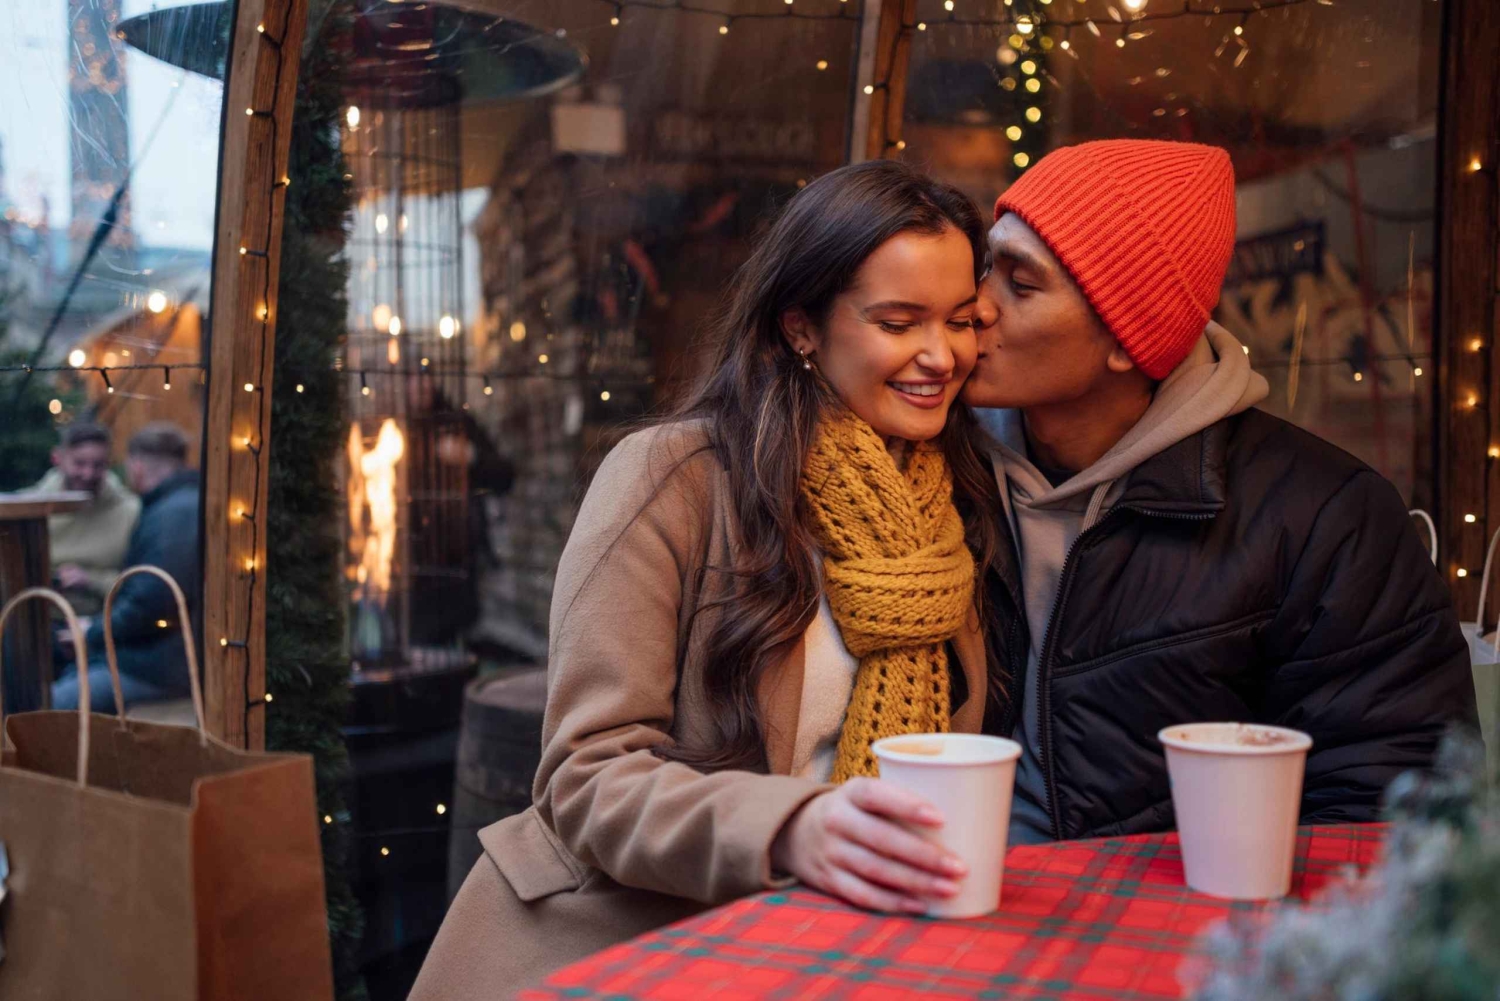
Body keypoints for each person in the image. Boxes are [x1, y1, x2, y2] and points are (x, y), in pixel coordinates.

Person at [411, 161, 1005, 997]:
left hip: (846, 947)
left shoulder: (951, 504)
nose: (941, 355)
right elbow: (586, 779)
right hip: (629, 944)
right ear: (801, 327)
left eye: (961, 320)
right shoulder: (673, 477)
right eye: (898, 321)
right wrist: (791, 826)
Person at [962, 139, 1478, 844]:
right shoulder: (932, 469)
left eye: (1020, 285)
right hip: (935, 876)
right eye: (987, 266)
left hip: (1184, 901)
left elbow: (1393, 805)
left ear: (1129, 339)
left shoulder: (1328, 518)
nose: (974, 306)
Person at [51, 422, 201, 711]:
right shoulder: (176, 505)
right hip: (157, 654)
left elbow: (149, 603)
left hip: (156, 664)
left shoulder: (169, 516)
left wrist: (93, 632)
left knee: (51, 708)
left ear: (137, 468)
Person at [25, 422, 140, 615]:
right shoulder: (28, 508)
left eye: (98, 465)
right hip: (36, 618)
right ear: (58, 458)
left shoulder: (130, 510)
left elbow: (140, 582)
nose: (88, 474)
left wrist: (91, 580)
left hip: (105, 619)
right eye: (79, 464)